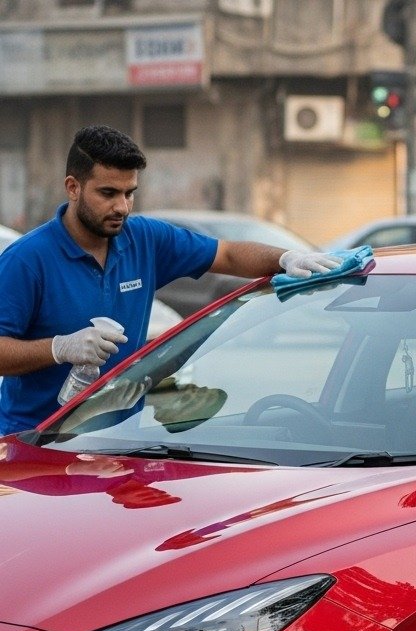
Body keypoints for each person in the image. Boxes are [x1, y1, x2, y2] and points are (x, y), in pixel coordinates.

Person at [0, 124, 342, 436]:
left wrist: (285, 258)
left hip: (116, 442)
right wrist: (60, 348)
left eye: (129, 193)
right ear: (73, 188)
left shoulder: (145, 240)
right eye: (107, 193)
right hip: (35, 441)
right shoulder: (27, 260)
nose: (122, 206)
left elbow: (227, 254)